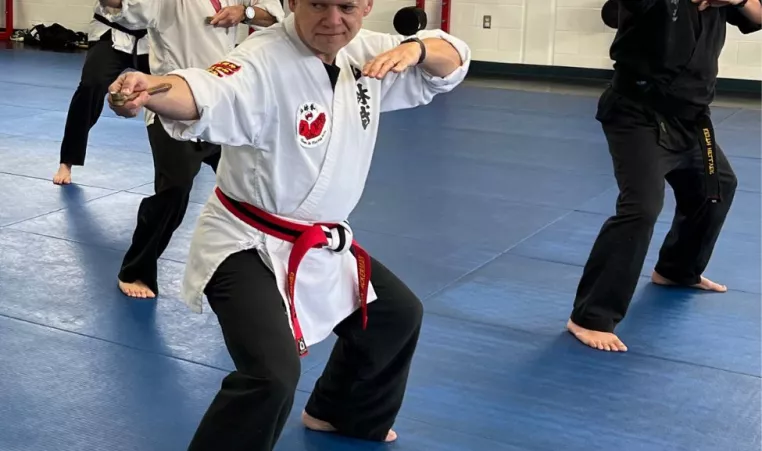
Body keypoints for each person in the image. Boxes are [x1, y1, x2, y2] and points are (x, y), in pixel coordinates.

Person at [107, 0, 470, 447]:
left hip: (320, 243)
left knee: (395, 316)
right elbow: (206, 89)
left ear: (367, 6)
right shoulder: (261, 59)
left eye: (347, 6)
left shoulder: (369, 53)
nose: (333, 20)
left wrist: (416, 49)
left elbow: (451, 58)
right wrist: (154, 88)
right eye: (317, 4)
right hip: (244, 243)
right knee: (272, 374)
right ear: (293, 3)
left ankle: (340, 412)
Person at [568, 0, 761, 352]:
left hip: (690, 119)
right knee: (641, 208)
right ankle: (590, 316)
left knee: (716, 189)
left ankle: (676, 270)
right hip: (636, 114)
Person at [97, 0, 285, 298]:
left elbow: (274, 16)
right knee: (174, 191)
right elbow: (128, 6)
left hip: (226, 105)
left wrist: (244, 12)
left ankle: (264, 266)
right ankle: (135, 270)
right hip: (173, 107)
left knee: (257, 187)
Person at [53, 0, 150, 185]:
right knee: (90, 86)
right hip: (112, 31)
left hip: (154, 38)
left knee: (177, 87)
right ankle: (67, 160)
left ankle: (196, 149)